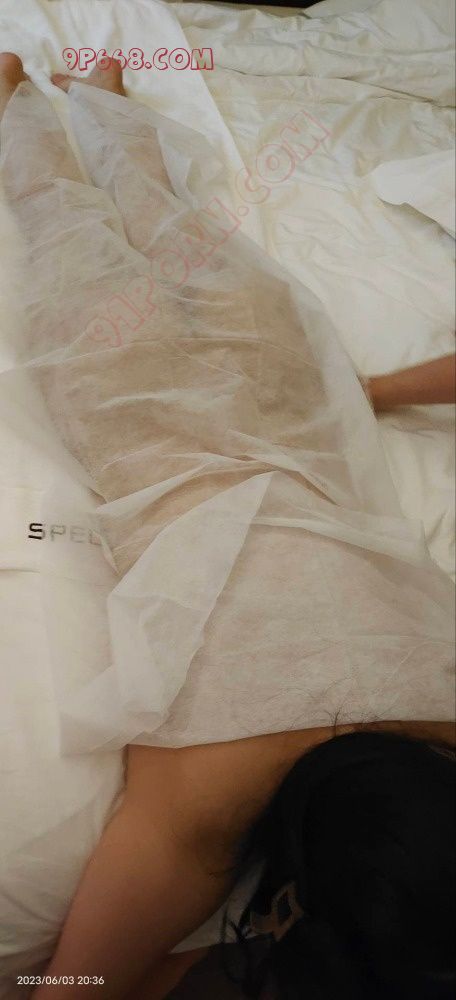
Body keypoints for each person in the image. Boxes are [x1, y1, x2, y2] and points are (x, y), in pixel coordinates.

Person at [0, 54, 454, 1000]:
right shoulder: (209, 795)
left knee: (169, 217)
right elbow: (79, 989)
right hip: (138, 406)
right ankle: (29, 95)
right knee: (58, 214)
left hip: (283, 394)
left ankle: (94, 97)